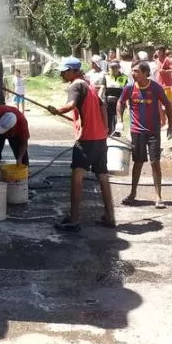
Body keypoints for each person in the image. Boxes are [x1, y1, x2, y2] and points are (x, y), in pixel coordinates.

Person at [48, 57, 115, 231]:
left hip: (86, 140)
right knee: (102, 176)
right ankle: (109, 216)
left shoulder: (76, 85)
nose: (62, 74)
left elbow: (70, 104)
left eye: (65, 71)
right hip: (100, 139)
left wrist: (57, 110)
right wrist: (105, 128)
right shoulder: (89, 86)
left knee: (77, 176)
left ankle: (74, 220)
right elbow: (102, 107)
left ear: (74, 71)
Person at [119, 62, 172, 209]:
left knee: (155, 163)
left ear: (145, 73)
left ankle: (158, 196)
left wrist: (171, 125)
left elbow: (167, 104)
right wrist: (120, 121)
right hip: (136, 131)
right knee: (137, 163)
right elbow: (120, 102)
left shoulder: (155, 87)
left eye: (136, 71)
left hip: (153, 131)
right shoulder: (129, 87)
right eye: (132, 71)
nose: (133, 73)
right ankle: (133, 193)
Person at [105, 60, 128, 136]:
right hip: (108, 101)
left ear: (119, 68)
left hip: (120, 101)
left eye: (116, 67)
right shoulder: (106, 77)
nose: (114, 69)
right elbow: (102, 89)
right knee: (109, 118)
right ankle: (109, 134)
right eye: (112, 68)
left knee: (117, 118)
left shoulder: (124, 77)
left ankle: (117, 134)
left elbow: (126, 90)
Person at [85, 55, 108, 125]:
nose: (92, 64)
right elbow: (86, 84)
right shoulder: (89, 73)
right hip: (91, 96)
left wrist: (97, 87)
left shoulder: (103, 74)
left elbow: (104, 86)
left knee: (101, 112)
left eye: (93, 63)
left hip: (101, 96)